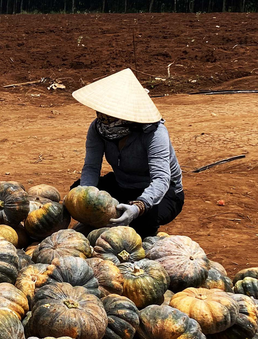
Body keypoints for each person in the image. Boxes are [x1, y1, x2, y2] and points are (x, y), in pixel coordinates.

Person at [70, 68, 184, 237]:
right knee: (76, 190)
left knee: (143, 218)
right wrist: (86, 200)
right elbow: (91, 167)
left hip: (164, 192)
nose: (102, 116)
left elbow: (161, 179)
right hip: (123, 185)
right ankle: (96, 227)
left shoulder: (154, 132)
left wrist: (138, 207)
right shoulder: (98, 128)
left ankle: (143, 235)